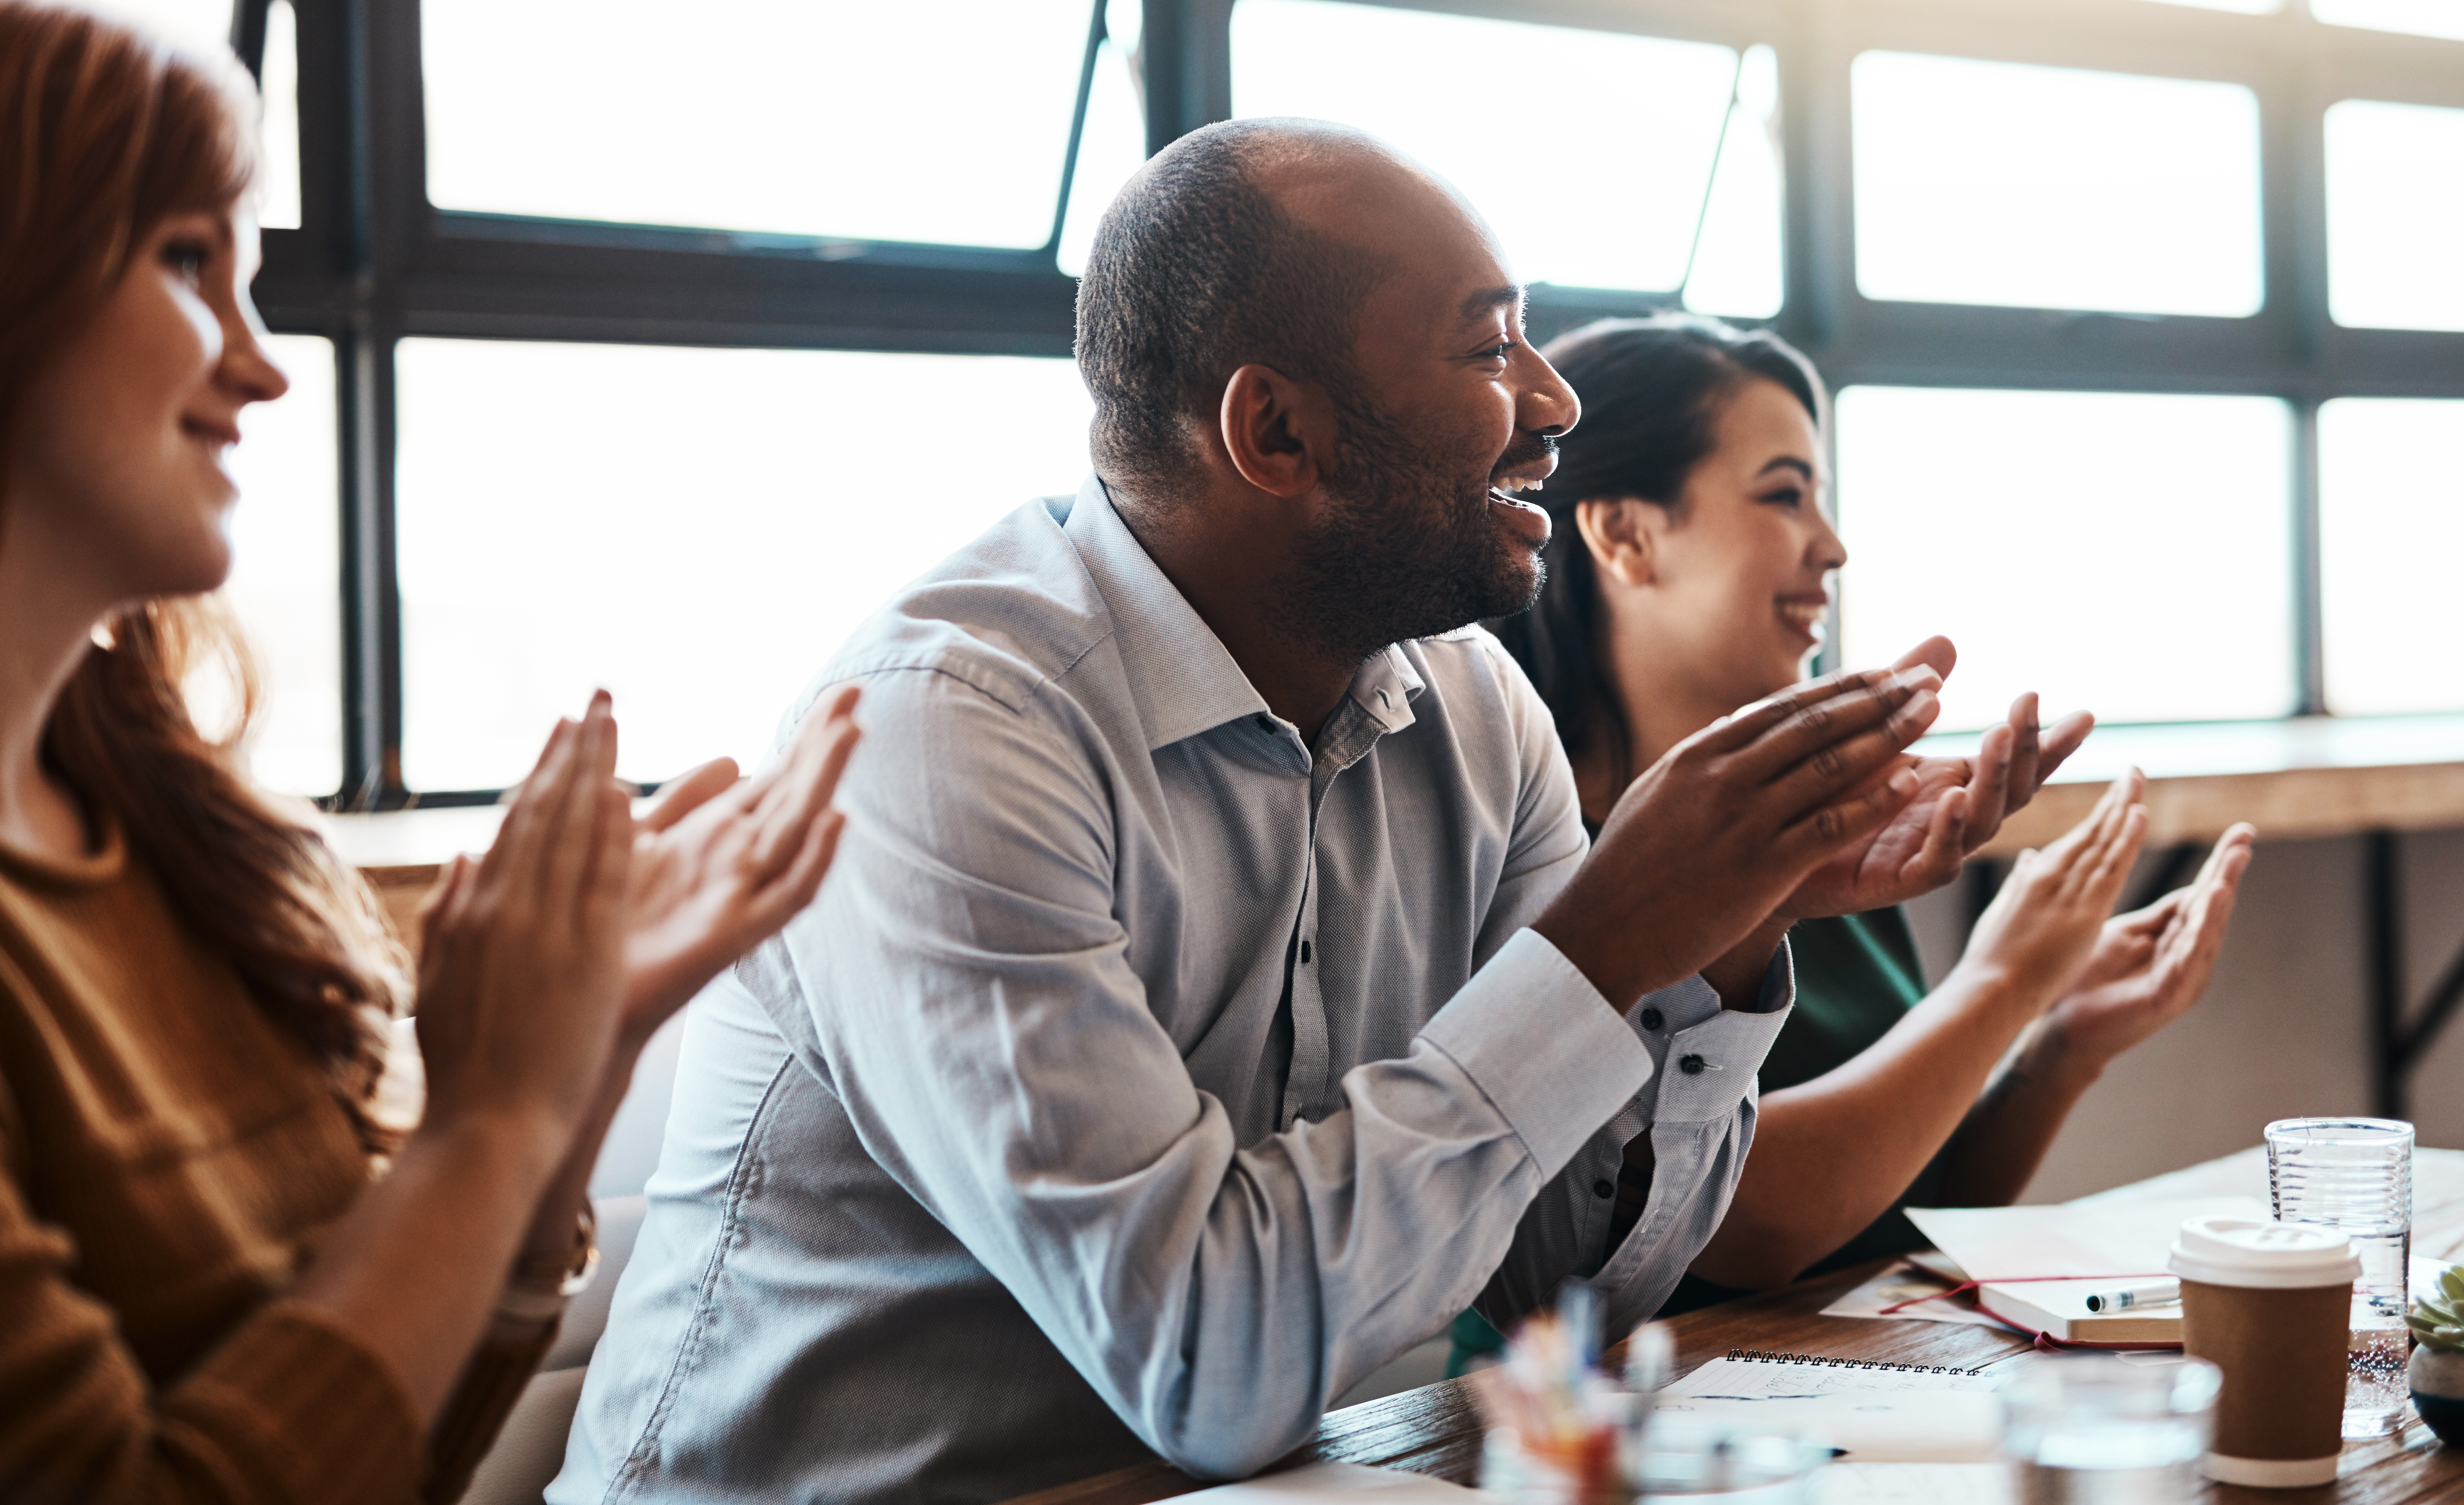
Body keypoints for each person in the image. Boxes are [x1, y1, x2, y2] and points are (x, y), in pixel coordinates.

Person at [558, 120, 2071, 1504]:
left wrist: (1726, 932)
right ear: (1276, 434)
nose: (1554, 403)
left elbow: (1582, 1291)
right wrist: (1606, 943)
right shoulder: (950, 734)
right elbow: (1206, 1367)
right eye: (1490, 351)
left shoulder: (1474, 707)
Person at [0, 0, 862, 1505]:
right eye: (182, 261)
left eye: (253, 276)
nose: (263, 363)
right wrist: (484, 1121)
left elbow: (383, 1448)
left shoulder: (170, 837)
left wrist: (574, 1065)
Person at [1490, 314, 2255, 1319]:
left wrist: (2056, 1041)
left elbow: (1907, 1210)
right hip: (1584, 1435)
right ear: (1626, 534)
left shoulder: (1832, 827)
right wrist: (2000, 982)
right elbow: (1738, 1223)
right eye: (1784, 495)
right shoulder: (1534, 855)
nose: (1833, 547)